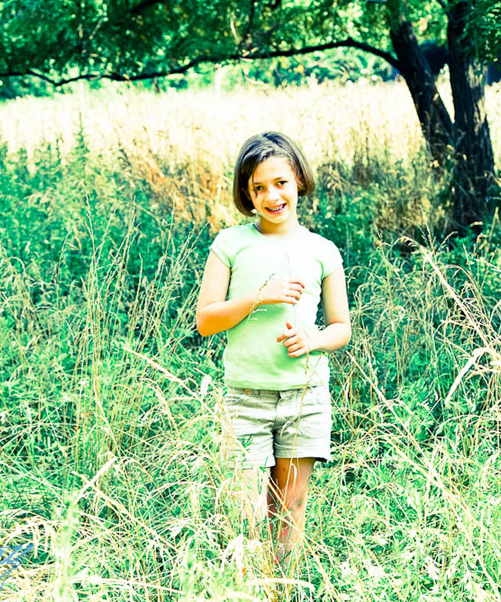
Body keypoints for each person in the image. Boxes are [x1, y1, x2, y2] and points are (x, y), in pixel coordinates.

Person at [195, 131, 351, 576]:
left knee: (289, 517)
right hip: (246, 397)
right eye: (258, 188)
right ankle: (249, 587)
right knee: (246, 518)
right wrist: (258, 297)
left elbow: (341, 327)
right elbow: (206, 320)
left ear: (299, 179)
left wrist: (313, 340)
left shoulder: (322, 251)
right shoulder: (230, 244)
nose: (271, 195)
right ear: (246, 193)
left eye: (280, 182)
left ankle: (281, 589)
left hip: (304, 397)